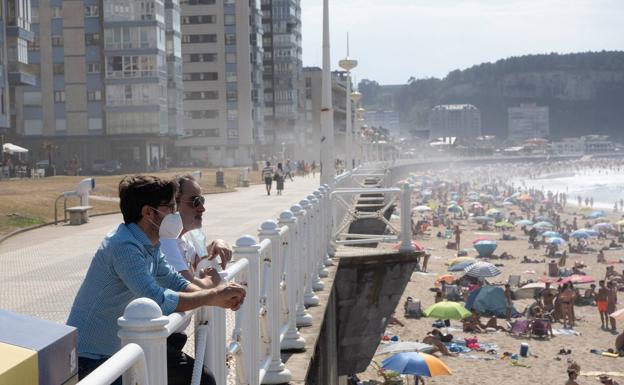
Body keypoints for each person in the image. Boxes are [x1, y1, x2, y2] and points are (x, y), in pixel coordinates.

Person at [67, 175, 246, 385]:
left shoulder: (149, 242)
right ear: (148, 212)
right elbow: (158, 298)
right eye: (170, 207)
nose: (175, 213)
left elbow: (173, 279)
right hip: (90, 360)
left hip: (117, 352)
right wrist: (213, 296)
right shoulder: (123, 246)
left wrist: (214, 295)